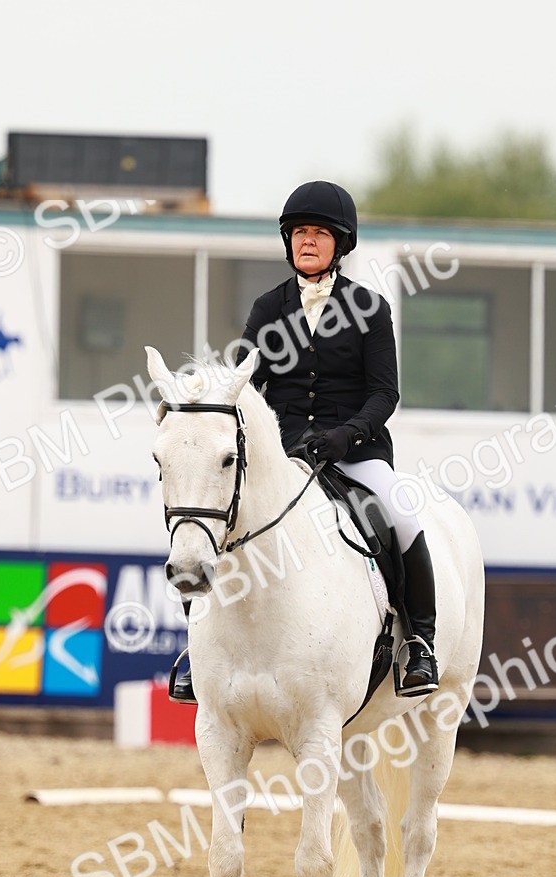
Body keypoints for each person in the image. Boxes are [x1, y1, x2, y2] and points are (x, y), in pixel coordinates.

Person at [172, 180, 438, 704]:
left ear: (340, 243)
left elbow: (386, 393)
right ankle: (194, 647)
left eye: (318, 233)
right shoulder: (269, 308)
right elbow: (244, 384)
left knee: (401, 516)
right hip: (283, 455)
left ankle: (419, 642)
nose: (307, 242)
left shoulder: (370, 307)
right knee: (212, 521)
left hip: (354, 453)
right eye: (298, 233)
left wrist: (345, 436)